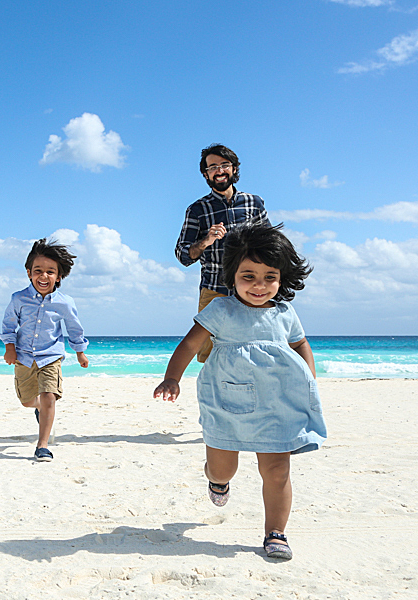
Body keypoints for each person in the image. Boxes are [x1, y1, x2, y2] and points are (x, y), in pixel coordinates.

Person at [154, 222, 326, 561]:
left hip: (277, 403)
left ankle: (275, 532)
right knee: (223, 469)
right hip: (225, 403)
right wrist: (172, 378)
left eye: (269, 277)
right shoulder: (220, 310)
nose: (259, 286)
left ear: (282, 277)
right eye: (249, 276)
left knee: (277, 470)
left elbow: (300, 343)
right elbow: (190, 345)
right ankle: (217, 482)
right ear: (232, 275)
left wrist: (310, 380)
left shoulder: (285, 313)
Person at [176, 144, 269, 363]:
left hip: (251, 289)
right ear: (205, 174)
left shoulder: (253, 203)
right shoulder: (197, 209)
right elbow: (182, 255)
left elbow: (270, 246)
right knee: (210, 357)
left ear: (234, 169)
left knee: (252, 352)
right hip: (213, 291)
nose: (219, 171)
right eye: (213, 167)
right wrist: (205, 242)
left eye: (224, 165)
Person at [0, 239, 90, 462]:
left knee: (49, 396)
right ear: (29, 272)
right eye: (38, 271)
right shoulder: (18, 299)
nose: (44, 276)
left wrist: (80, 351)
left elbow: (74, 327)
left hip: (51, 356)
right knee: (28, 400)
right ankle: (38, 408)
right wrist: (9, 348)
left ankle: (42, 446)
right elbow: (8, 325)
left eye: (50, 272)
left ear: (58, 276)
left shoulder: (65, 303)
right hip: (23, 357)